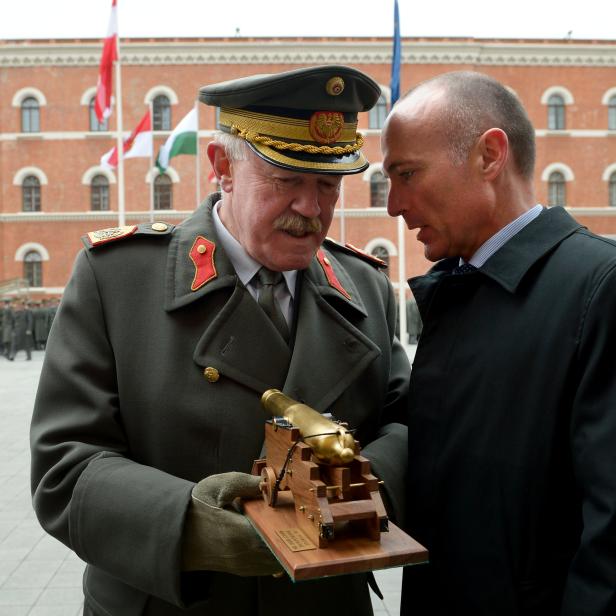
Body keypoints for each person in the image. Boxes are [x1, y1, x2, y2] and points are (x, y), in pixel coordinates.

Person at [31, 65, 410, 616]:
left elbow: (408, 426)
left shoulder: (366, 289)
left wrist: (358, 487)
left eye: (328, 184)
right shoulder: (118, 280)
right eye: (285, 180)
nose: (311, 208)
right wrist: (187, 523)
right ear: (221, 167)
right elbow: (65, 466)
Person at [382, 70, 616, 616]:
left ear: (489, 156)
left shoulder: (598, 289)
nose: (394, 204)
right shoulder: (457, 290)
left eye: (407, 174)